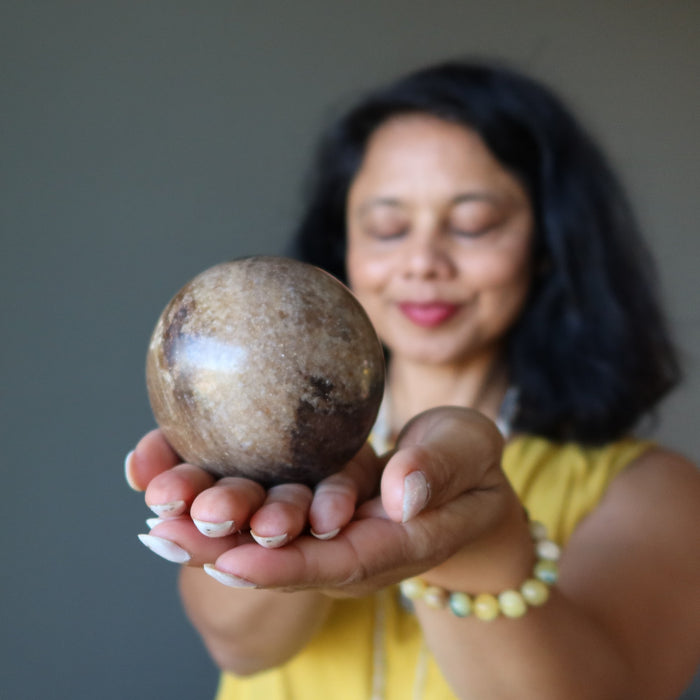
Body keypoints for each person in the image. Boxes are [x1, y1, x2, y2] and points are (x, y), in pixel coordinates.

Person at [125, 61, 700, 699]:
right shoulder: (265, 468)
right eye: (388, 227)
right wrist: (277, 487)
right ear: (343, 248)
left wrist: (481, 539)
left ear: (545, 245)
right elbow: (243, 647)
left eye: (474, 223)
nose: (423, 261)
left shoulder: (655, 491)